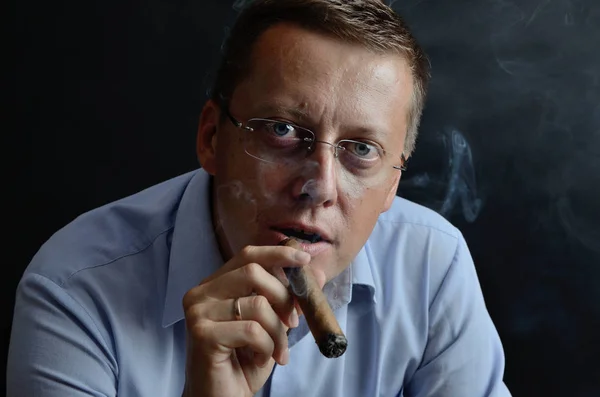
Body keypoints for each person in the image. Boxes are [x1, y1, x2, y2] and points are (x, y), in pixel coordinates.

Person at [7, 0, 512, 396]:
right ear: (211, 138)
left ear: (394, 183)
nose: (319, 186)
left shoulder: (432, 266)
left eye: (361, 149)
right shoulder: (76, 288)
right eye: (283, 130)